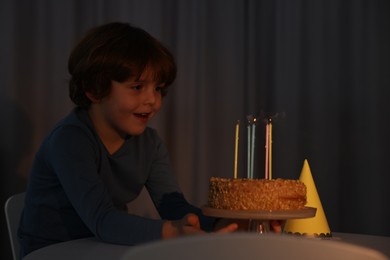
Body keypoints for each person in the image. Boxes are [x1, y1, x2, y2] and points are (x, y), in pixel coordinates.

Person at [17, 22, 238, 258]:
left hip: (104, 246)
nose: (152, 100)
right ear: (94, 89)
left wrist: (222, 224)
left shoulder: (150, 144)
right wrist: (173, 232)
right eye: (137, 87)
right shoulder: (70, 139)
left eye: (158, 89)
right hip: (50, 251)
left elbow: (173, 207)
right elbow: (102, 220)